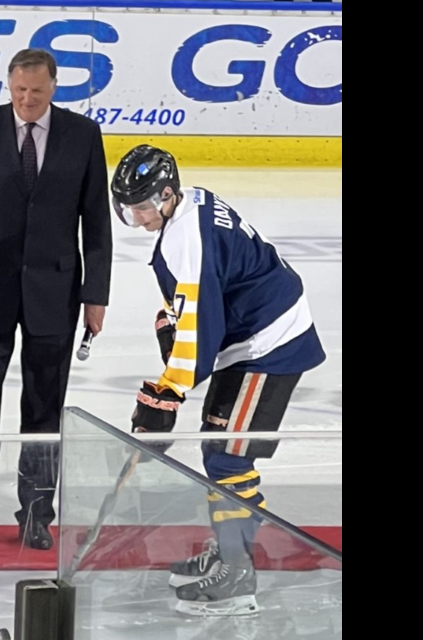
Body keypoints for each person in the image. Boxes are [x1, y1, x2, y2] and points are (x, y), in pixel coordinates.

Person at [109, 144, 326, 616]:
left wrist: (169, 390)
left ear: (167, 196)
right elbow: (205, 302)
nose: (138, 218)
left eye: (143, 206)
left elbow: (198, 327)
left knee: (227, 455)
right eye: (128, 209)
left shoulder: (186, 237)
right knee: (221, 448)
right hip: (252, 335)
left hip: (270, 344)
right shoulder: (193, 202)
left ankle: (238, 572)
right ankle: (232, 548)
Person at [0, 48, 112, 551]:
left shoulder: (83, 135)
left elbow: (96, 221)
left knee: (44, 406)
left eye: (36, 91)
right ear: (9, 87)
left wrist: (95, 294)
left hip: (56, 291)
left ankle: (37, 512)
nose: (27, 100)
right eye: (19, 91)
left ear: (54, 87)